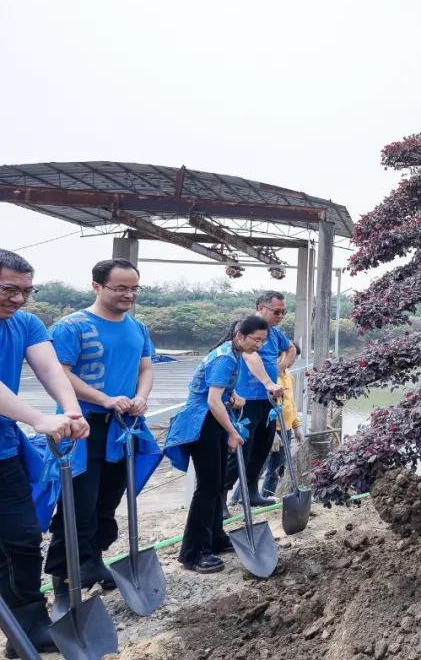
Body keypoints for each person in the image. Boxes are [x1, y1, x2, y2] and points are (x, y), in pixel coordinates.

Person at [45, 258, 155, 605]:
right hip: (81, 429)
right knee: (78, 505)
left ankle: (92, 560)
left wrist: (140, 397)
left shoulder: (138, 328)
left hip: (122, 429)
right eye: (120, 288)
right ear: (97, 286)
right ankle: (65, 578)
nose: (129, 295)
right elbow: (57, 373)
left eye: (134, 288)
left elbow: (146, 368)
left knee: (107, 502)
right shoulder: (71, 327)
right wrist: (104, 399)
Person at [0, 249, 89, 656]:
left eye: (25, 291)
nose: (17, 299)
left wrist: (70, 410)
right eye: (7, 289)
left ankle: (29, 624)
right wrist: (38, 420)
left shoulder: (26, 324)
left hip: (3, 452)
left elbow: (51, 369)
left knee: (22, 537)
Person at [165, 315, 268, 573]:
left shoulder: (232, 354)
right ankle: (194, 552)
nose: (259, 345)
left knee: (218, 481)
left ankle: (216, 537)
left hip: (214, 420)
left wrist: (233, 395)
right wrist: (233, 432)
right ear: (240, 336)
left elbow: (218, 389)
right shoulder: (224, 358)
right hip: (203, 423)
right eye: (256, 340)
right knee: (208, 488)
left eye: (263, 341)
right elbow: (211, 400)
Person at [226, 291, 294, 508]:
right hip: (245, 401)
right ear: (261, 307)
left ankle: (252, 492)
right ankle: (220, 499)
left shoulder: (275, 333)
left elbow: (291, 348)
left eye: (283, 312)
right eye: (276, 311)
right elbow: (249, 356)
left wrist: (282, 367)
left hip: (268, 401)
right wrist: (268, 382)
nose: (280, 315)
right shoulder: (247, 329)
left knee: (262, 449)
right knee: (241, 450)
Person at [260, 345, 303, 499]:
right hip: (271, 429)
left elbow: (291, 404)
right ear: (280, 356)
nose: (293, 361)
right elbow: (266, 406)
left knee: (276, 468)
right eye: (291, 356)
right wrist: (272, 433)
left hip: (286, 429)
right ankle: (238, 499)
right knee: (257, 466)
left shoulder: (289, 377)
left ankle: (266, 497)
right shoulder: (270, 378)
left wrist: (297, 426)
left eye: (295, 357)